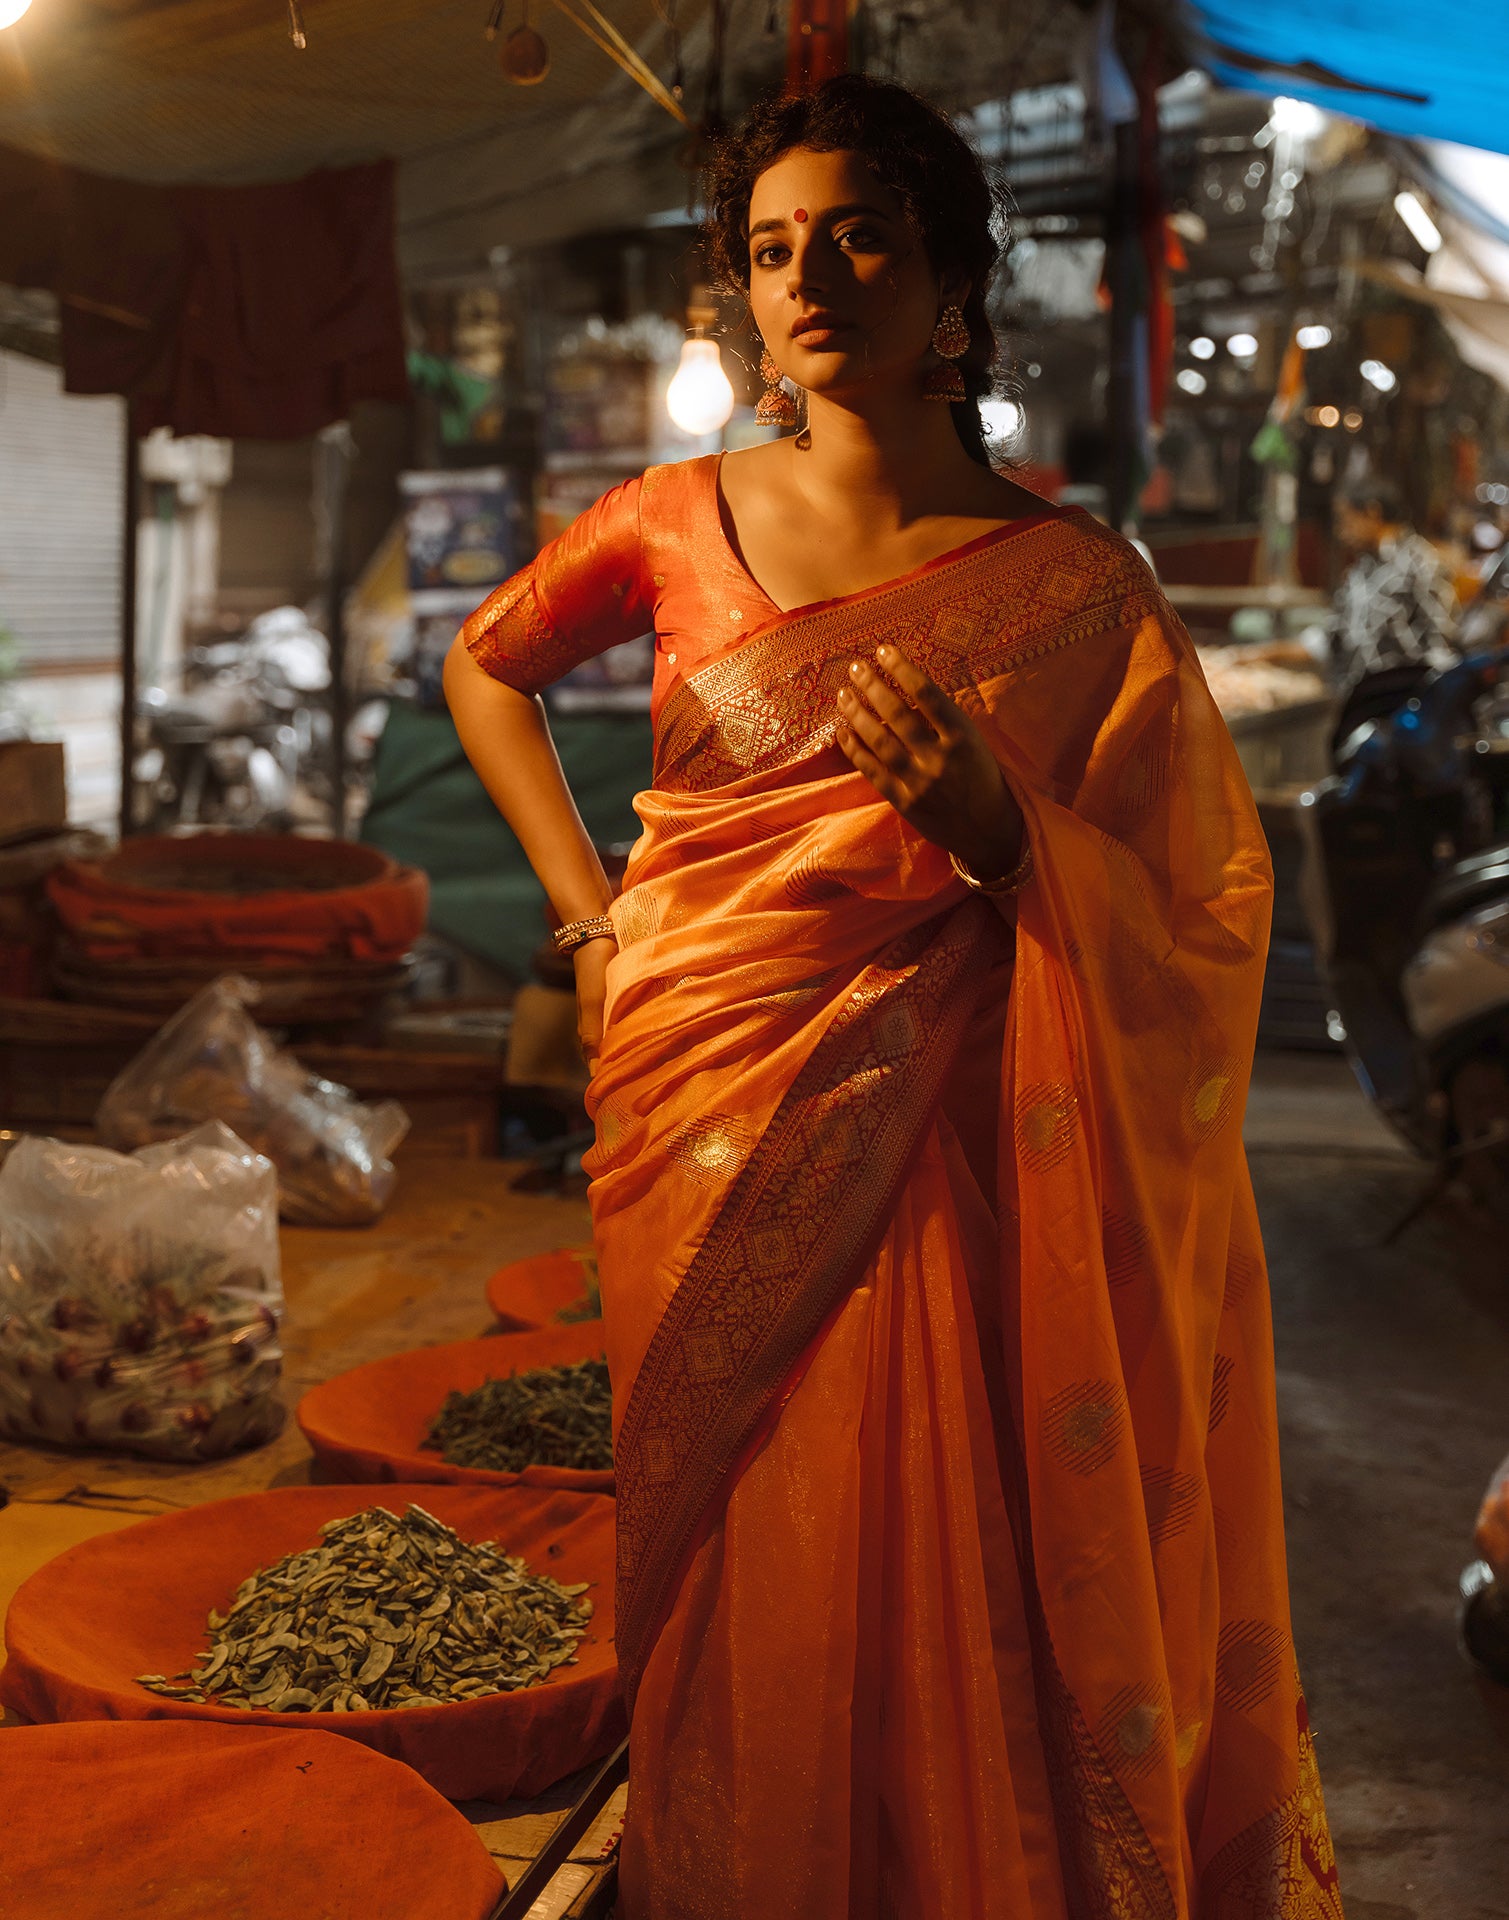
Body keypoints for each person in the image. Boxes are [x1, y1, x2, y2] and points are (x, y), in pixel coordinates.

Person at [444, 74, 1343, 1920]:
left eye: (855, 234)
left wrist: (1007, 833)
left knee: (956, 1542)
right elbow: (486, 663)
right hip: (697, 1105)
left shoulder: (1079, 590)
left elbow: (1203, 914)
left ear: (948, 280)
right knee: (742, 1536)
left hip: (960, 1144)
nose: (806, 277)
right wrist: (596, 924)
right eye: (769, 248)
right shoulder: (673, 516)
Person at [1328, 476, 1458, 686]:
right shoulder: (1360, 570)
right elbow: (1337, 632)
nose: (1341, 532)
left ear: (1372, 512)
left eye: (1346, 520)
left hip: (1400, 703)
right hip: (1359, 702)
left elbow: (1440, 645)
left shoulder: (1420, 563)